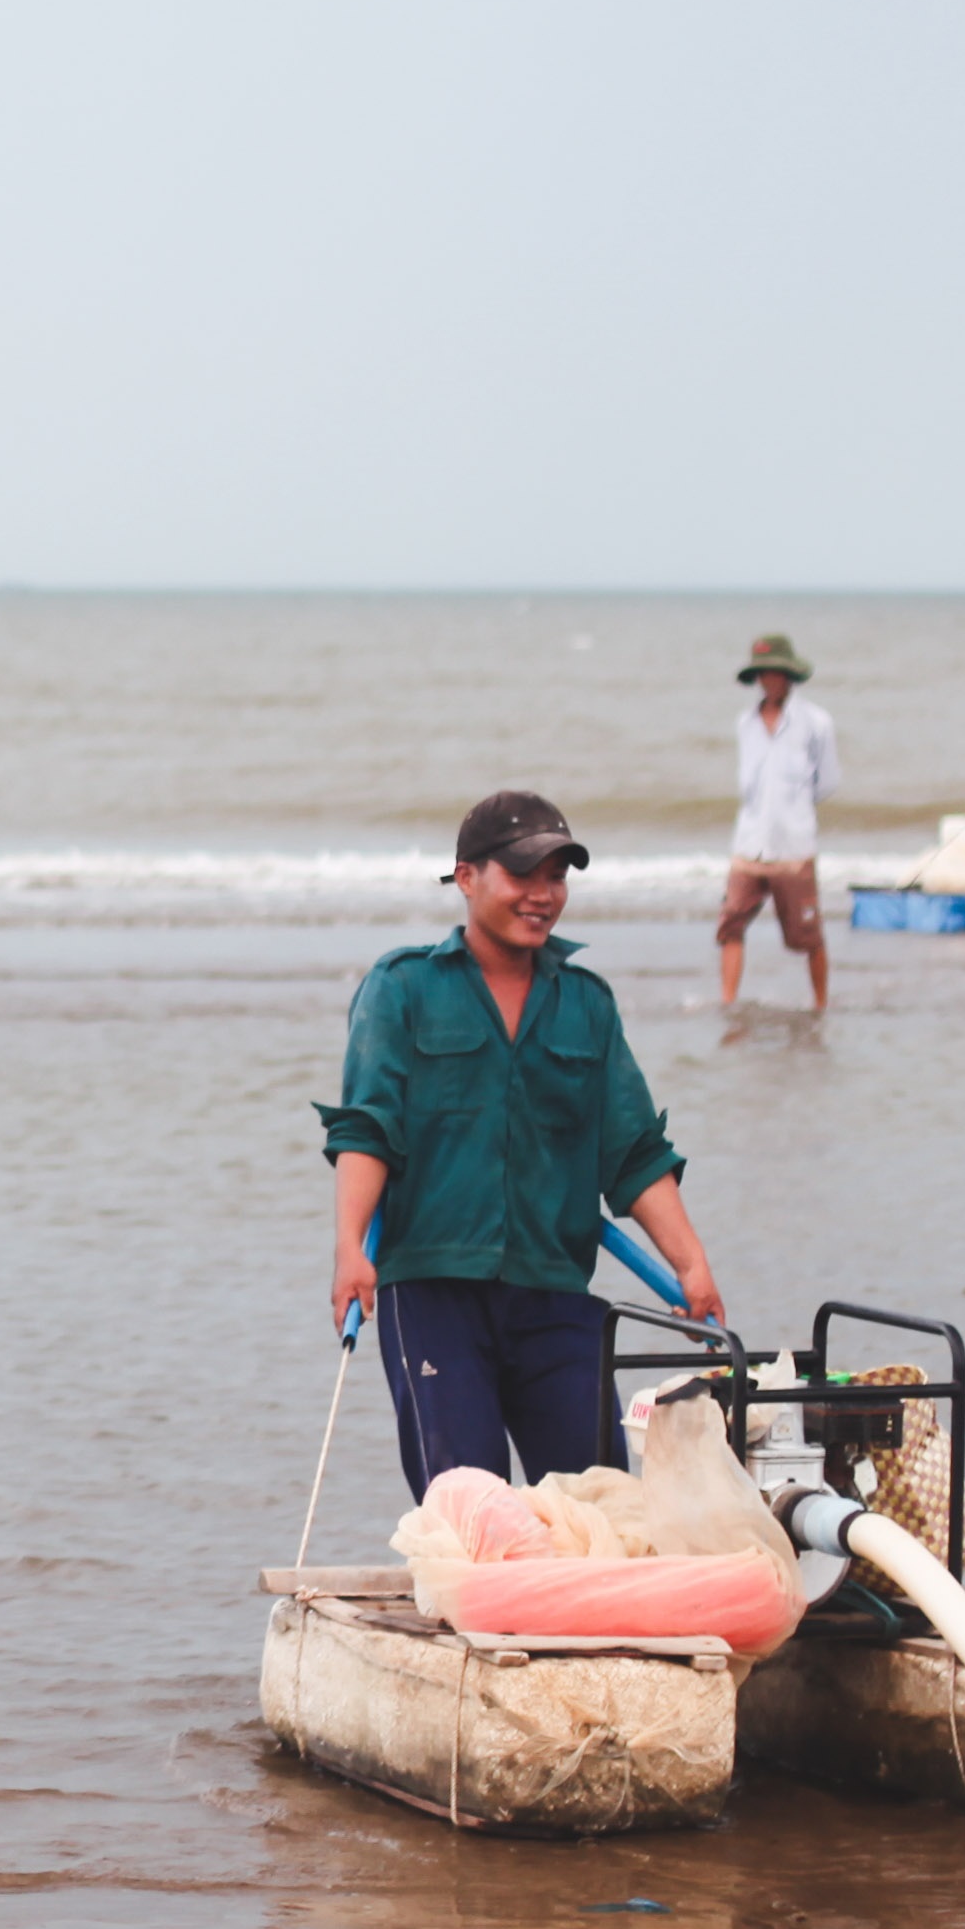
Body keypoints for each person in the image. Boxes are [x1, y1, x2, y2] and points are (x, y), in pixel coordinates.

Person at [320, 791, 724, 1494]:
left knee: (600, 1511)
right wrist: (351, 1248)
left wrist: (691, 1268)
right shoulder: (402, 988)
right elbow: (367, 1130)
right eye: (523, 875)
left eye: (557, 877)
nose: (543, 895)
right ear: (467, 877)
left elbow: (633, 1155)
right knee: (473, 1513)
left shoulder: (586, 1004)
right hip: (435, 1294)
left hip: (555, 1296)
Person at [716, 632, 836, 1013]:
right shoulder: (745, 724)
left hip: (793, 848)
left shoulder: (816, 723)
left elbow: (827, 781)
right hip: (749, 844)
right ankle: (728, 1001)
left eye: (776, 672)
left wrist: (794, 808)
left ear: (789, 676)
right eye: (763, 673)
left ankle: (820, 1004)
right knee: (731, 924)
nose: (769, 680)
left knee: (808, 934)